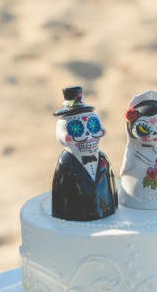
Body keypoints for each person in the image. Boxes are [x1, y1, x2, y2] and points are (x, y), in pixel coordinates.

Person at [50, 86, 118, 221]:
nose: (88, 136)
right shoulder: (66, 164)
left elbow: (111, 185)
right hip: (75, 217)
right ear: (62, 135)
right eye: (76, 129)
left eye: (94, 127)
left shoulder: (103, 158)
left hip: (107, 213)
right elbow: (60, 196)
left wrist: (114, 205)